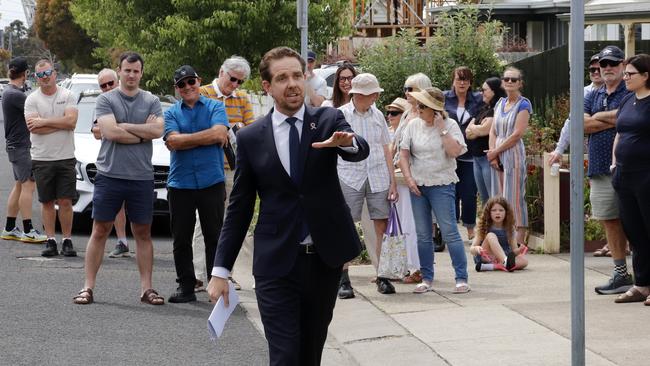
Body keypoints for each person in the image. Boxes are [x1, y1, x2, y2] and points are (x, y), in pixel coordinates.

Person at [207, 46, 369, 365]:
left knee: (310, 353)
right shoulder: (253, 138)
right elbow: (239, 209)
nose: (292, 83)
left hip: (324, 260)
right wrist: (220, 270)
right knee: (284, 355)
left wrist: (346, 143)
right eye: (282, 78)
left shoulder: (328, 120)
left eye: (297, 75)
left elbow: (357, 148)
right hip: (275, 262)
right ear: (267, 87)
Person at [72, 52, 165, 306]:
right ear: (119, 71)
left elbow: (158, 130)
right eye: (127, 70)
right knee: (100, 230)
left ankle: (147, 289)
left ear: (141, 73)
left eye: (136, 71)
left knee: (143, 233)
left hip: (142, 177)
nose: (132, 75)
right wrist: (141, 133)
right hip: (109, 175)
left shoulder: (152, 100)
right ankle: (87, 287)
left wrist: (125, 126)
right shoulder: (106, 99)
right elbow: (109, 133)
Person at [164, 65, 229, 303]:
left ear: (199, 81)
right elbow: (172, 141)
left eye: (191, 81)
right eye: (182, 84)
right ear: (177, 89)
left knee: (214, 236)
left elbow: (220, 134)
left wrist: (185, 140)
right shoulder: (171, 113)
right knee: (181, 238)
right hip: (180, 184)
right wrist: (206, 137)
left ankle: (216, 287)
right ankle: (186, 286)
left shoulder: (215, 106)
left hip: (211, 181)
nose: (188, 87)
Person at [398, 87, 470, 294]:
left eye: (422, 105)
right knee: (422, 234)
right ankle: (427, 278)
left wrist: (442, 129)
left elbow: (455, 151)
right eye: (418, 105)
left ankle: (461, 278)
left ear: (434, 109)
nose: (417, 108)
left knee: (450, 232)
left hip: (442, 184)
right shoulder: (412, 125)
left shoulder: (450, 124)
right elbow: (403, 154)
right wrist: (409, 179)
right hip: (417, 185)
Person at [193, 55, 255, 291]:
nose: (235, 85)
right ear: (221, 72)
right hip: (208, 167)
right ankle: (200, 274)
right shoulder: (204, 93)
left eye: (240, 81)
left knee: (231, 223)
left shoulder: (242, 98)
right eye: (233, 79)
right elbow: (201, 128)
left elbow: (249, 130)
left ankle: (223, 273)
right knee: (204, 222)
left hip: (233, 168)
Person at [337, 73, 398, 298]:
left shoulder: (378, 115)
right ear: (361, 95)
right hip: (349, 176)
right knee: (346, 226)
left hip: (378, 176)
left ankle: (382, 276)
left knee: (380, 225)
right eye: (373, 93)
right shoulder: (341, 114)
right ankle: (343, 278)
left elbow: (386, 148)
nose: (376, 97)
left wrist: (392, 181)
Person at [546, 54, 613, 258]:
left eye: (598, 68)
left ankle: (619, 245)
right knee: (599, 203)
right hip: (592, 154)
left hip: (617, 155)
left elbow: (625, 119)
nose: (595, 72)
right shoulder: (584, 93)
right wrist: (559, 149)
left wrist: (594, 121)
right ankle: (611, 243)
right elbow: (574, 123)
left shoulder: (620, 92)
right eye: (592, 69)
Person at [582, 45, 633, 295]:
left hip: (629, 167)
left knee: (636, 221)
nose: (608, 68)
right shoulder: (592, 93)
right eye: (604, 64)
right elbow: (582, 124)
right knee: (610, 221)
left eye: (613, 63)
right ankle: (621, 273)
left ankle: (643, 274)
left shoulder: (630, 90)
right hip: (599, 167)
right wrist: (612, 118)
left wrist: (599, 118)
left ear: (623, 65)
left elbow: (628, 118)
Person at [24, 59, 78, 257]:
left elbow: (71, 121)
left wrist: (44, 122)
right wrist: (60, 123)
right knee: (47, 201)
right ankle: (50, 240)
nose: (44, 78)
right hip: (42, 158)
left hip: (65, 157)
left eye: (47, 73)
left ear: (54, 73)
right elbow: (33, 128)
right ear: (36, 78)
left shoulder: (68, 95)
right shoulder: (32, 100)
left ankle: (67, 240)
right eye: (40, 75)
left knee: (65, 201)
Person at [610, 54, 650, 305]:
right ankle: (642, 284)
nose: (625, 77)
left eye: (630, 74)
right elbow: (620, 133)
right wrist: (615, 164)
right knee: (635, 231)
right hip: (624, 175)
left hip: (647, 175)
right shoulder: (627, 100)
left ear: (646, 76)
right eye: (625, 73)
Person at [0, 57, 47, 243]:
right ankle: (28, 230)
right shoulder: (16, 95)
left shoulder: (9, 91)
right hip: (21, 146)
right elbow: (38, 115)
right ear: (26, 73)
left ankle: (9, 227)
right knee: (28, 185)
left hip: (15, 145)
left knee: (20, 185)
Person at [486, 66, 531, 246]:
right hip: (497, 153)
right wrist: (493, 154)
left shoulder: (523, 104)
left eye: (514, 79)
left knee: (515, 196)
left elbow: (517, 134)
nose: (510, 82)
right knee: (499, 197)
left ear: (520, 83)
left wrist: (495, 151)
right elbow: (493, 130)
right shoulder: (499, 103)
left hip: (513, 154)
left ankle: (519, 240)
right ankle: (502, 237)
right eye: (506, 79)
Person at [91, 68, 131, 258]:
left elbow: (150, 128)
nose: (107, 88)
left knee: (141, 216)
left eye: (110, 83)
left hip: (136, 163)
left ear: (118, 81)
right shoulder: (102, 103)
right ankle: (120, 241)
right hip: (110, 163)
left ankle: (129, 244)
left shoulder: (133, 98)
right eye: (103, 85)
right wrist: (118, 129)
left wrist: (114, 128)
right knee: (112, 208)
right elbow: (97, 131)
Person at [444, 66, 483, 239]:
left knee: (468, 193)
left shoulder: (478, 99)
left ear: (470, 83)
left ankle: (469, 228)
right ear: (453, 80)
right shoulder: (444, 98)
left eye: (465, 80)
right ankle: (450, 230)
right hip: (448, 154)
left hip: (470, 154)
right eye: (459, 79)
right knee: (450, 193)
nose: (462, 83)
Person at [465, 77, 506, 204]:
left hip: (488, 159)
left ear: (494, 91)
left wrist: (476, 128)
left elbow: (483, 130)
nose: (481, 92)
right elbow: (468, 133)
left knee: (494, 199)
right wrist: (476, 128)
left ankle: (498, 224)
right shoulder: (483, 109)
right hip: (476, 159)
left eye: (484, 90)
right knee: (484, 200)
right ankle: (488, 224)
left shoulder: (498, 109)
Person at [470, 197, 528, 272]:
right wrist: (477, 249)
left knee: (524, 261)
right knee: (491, 235)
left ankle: (493, 266)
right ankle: (505, 263)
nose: (497, 213)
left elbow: (514, 250)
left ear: (506, 213)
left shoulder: (510, 228)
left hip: (504, 255)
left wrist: (520, 250)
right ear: (489, 212)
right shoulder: (484, 227)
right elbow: (472, 249)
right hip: (488, 256)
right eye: (494, 210)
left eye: (501, 210)